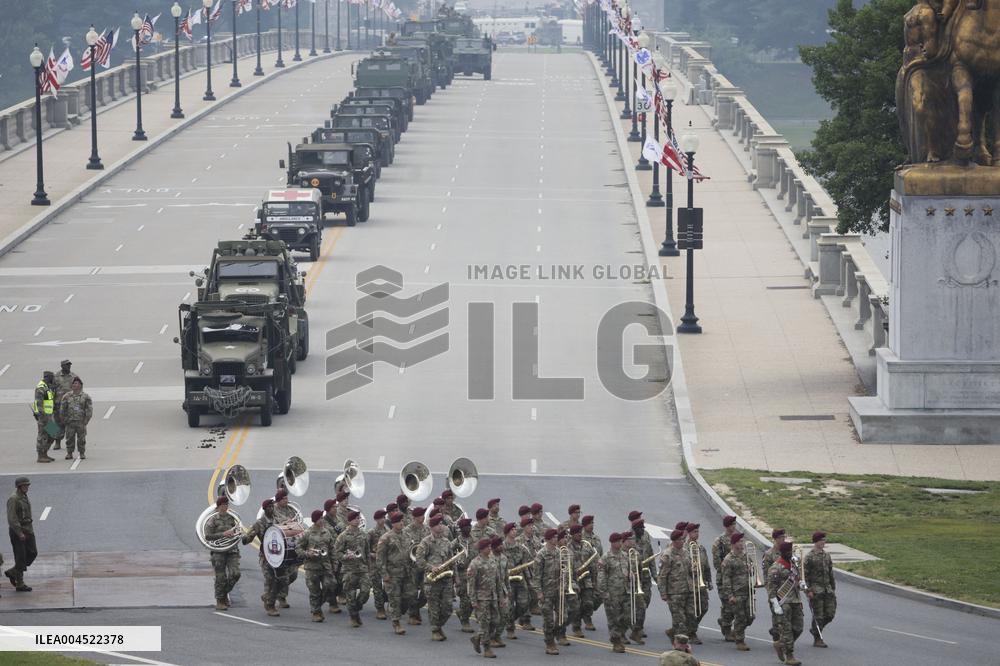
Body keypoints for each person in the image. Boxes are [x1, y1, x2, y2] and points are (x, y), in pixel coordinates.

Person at [415, 513, 454, 641]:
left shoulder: (447, 542)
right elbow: (419, 560)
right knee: (434, 607)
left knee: (448, 607)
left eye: (442, 524)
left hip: (445, 578)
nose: (441, 526)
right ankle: (435, 630)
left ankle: (438, 626)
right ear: (432, 527)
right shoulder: (425, 542)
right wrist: (431, 567)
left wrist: (455, 578)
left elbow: (450, 560)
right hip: (432, 579)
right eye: (438, 524)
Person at [377, 511, 415, 635]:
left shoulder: (407, 535)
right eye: (398, 522)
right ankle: (396, 623)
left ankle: (398, 612)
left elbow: (411, 551)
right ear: (393, 524)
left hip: (406, 572)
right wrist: (384, 574)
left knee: (410, 596)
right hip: (392, 574)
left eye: (402, 521)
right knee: (395, 599)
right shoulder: (385, 538)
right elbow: (380, 558)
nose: (401, 523)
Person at [767, 541, 804, 665]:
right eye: (788, 551)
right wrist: (775, 604)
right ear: (783, 553)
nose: (790, 553)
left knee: (798, 628)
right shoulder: (775, 567)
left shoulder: (794, 565)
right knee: (787, 630)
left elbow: (797, 580)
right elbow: (771, 588)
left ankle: (780, 644)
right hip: (783, 603)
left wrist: (802, 584)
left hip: (795, 600)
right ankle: (789, 656)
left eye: (791, 551)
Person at [243, 498, 280, 616]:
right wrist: (250, 535)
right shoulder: (259, 523)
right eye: (269, 507)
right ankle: (270, 606)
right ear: (264, 509)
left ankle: (267, 596)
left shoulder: (278, 520)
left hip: (278, 555)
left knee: (281, 580)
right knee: (270, 579)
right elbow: (245, 540)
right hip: (265, 556)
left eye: (272, 506)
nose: (272, 508)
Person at [204, 495, 242, 610]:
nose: (226, 507)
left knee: (236, 574)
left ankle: (224, 593)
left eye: (227, 504)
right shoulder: (213, 519)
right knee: (221, 577)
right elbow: (208, 536)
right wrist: (223, 534)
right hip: (218, 552)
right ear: (219, 506)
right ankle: (220, 601)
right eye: (224, 505)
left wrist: (236, 534)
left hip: (232, 550)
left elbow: (238, 530)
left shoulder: (232, 517)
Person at [467, 537, 502, 658]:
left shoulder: (492, 561)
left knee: (496, 621)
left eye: (490, 547)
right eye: (487, 547)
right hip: (481, 598)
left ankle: (477, 637)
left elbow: (498, 580)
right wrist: (473, 600)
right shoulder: (475, 563)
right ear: (482, 549)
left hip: (493, 597)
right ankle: (487, 648)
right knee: (485, 623)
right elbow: (471, 584)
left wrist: (501, 597)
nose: (490, 548)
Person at [335, 509, 371, 627]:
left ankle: (356, 609)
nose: (357, 520)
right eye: (355, 518)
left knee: (365, 592)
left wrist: (369, 568)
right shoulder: (343, 536)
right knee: (350, 595)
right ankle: (353, 617)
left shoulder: (363, 535)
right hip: (349, 569)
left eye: (358, 518)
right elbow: (337, 553)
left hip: (362, 568)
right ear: (350, 521)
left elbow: (367, 552)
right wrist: (345, 556)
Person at [595, 532, 630, 653]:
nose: (621, 543)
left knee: (627, 617)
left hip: (625, 591)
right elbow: (601, 577)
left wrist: (631, 576)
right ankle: (616, 641)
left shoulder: (625, 556)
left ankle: (619, 635)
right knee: (614, 619)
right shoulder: (605, 558)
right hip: (611, 594)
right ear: (613, 543)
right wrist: (604, 593)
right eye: (619, 541)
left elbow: (628, 571)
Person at [658, 528, 695, 641]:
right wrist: (663, 593)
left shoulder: (686, 552)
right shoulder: (667, 555)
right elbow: (662, 576)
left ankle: (673, 632)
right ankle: (680, 646)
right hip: (675, 592)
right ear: (674, 541)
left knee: (691, 616)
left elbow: (689, 570)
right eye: (680, 539)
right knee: (679, 620)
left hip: (688, 590)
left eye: (683, 539)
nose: (683, 541)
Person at [300, 509, 336, 622]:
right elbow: (298, 548)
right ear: (315, 520)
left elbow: (332, 549)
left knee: (330, 586)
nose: (322, 520)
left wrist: (334, 564)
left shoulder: (327, 532)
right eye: (320, 518)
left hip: (325, 566)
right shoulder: (307, 533)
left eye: (322, 518)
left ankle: (317, 606)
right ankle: (316, 612)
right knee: (314, 590)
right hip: (312, 567)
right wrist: (307, 553)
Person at [719, 532, 753, 651]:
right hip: (736, 593)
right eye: (739, 541)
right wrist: (730, 595)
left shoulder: (746, 556)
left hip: (747, 591)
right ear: (733, 544)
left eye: (742, 541)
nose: (742, 543)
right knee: (740, 617)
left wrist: (751, 571)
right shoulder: (728, 559)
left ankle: (736, 631)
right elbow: (726, 579)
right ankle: (740, 640)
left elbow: (751, 573)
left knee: (750, 617)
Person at [531, 528, 563, 655]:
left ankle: (554, 634)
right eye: (554, 537)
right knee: (548, 619)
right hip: (546, 592)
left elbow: (565, 571)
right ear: (549, 539)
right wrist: (539, 592)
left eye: (557, 537)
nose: (557, 539)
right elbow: (536, 576)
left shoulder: (560, 552)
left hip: (559, 591)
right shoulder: (541, 555)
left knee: (563, 617)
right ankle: (550, 643)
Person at [804, 531, 836, 648]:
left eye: (824, 540)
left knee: (830, 614)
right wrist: (808, 591)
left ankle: (815, 629)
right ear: (816, 541)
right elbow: (805, 576)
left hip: (827, 590)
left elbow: (830, 572)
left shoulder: (826, 556)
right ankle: (818, 638)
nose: (824, 542)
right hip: (816, 590)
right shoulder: (809, 557)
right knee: (818, 616)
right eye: (822, 540)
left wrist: (832, 587)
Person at [5, 477, 36, 592]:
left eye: (27, 485)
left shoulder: (23, 496)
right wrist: (19, 532)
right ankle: (20, 583)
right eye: (25, 485)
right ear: (19, 486)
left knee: (33, 552)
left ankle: (13, 571)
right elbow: (12, 518)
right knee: (20, 556)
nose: (27, 487)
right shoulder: (14, 499)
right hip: (18, 531)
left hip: (28, 529)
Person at [712, 515, 739, 640]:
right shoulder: (720, 541)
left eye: (734, 524)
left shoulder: (738, 538)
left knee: (738, 606)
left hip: (738, 578)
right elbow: (717, 563)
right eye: (732, 524)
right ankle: (727, 630)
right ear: (727, 526)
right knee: (728, 605)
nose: (734, 526)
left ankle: (724, 621)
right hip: (724, 577)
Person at [502, 522, 531, 639]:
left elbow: (525, 564)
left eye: (515, 530)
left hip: (519, 579)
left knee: (524, 603)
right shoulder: (502, 547)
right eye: (513, 530)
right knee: (509, 605)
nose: (515, 531)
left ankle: (511, 619)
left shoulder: (521, 547)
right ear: (507, 532)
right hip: (507, 580)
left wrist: (529, 580)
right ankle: (510, 628)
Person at [630, 515, 655, 644]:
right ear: (635, 528)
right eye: (641, 528)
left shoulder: (646, 537)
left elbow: (651, 556)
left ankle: (638, 625)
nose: (643, 529)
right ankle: (636, 628)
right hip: (634, 577)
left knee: (646, 601)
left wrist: (655, 575)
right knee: (637, 604)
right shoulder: (629, 538)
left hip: (645, 576)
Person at [685, 522, 712, 644]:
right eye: (694, 532)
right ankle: (691, 632)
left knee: (704, 607)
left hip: (700, 582)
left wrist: (709, 580)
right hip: (689, 583)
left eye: (698, 531)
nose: (697, 534)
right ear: (689, 533)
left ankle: (689, 629)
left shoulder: (701, 548)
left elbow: (706, 565)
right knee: (691, 609)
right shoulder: (684, 548)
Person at [404, 506, 430, 625]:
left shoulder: (427, 529)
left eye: (423, 515)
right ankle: (413, 615)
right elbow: (403, 548)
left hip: (424, 565)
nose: (422, 517)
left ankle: (414, 609)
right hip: (412, 567)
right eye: (420, 516)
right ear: (414, 518)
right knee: (413, 593)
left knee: (426, 592)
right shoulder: (406, 531)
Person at [569, 524, 596, 638]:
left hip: (586, 578)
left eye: (580, 532)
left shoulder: (586, 545)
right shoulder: (567, 547)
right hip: (574, 580)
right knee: (575, 605)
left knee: (588, 603)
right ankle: (576, 627)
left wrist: (595, 578)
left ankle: (586, 617)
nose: (580, 534)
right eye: (577, 533)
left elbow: (594, 562)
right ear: (572, 534)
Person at [272, 488, 297, 608]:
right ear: (278, 500)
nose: (287, 500)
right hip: (279, 545)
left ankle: (275, 592)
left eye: (287, 498)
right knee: (283, 575)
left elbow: (297, 522)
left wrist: (293, 522)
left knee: (293, 574)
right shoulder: (273, 511)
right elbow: (272, 524)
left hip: (290, 544)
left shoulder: (291, 509)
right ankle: (281, 597)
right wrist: (285, 522)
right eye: (284, 499)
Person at [452, 516, 476, 633]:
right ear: (462, 529)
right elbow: (449, 556)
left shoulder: (475, 541)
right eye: (466, 527)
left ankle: (462, 613)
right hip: (461, 574)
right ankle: (465, 621)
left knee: (472, 598)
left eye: (469, 526)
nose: (469, 528)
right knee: (465, 599)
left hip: (473, 574)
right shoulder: (456, 542)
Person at [59, 377, 92, 461]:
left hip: (81, 421)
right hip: (70, 421)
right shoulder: (66, 396)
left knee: (81, 438)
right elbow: (62, 409)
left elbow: (89, 409)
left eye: (77, 383)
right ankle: (69, 453)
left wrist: (86, 420)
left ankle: (82, 453)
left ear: (80, 385)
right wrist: (64, 419)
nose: (75, 385)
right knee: (69, 438)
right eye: (74, 383)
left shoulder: (85, 397)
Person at [762, 528, 787, 640]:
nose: (784, 539)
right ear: (776, 539)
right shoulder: (769, 554)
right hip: (775, 590)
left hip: (787, 588)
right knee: (777, 615)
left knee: (786, 616)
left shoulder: (786, 553)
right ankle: (777, 637)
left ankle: (778, 633)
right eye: (782, 537)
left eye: (784, 537)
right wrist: (770, 593)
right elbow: (766, 575)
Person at [50, 360, 79, 452]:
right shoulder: (56, 377)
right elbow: (51, 390)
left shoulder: (74, 376)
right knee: (56, 424)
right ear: (62, 366)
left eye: (69, 365)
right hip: (58, 403)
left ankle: (69, 444)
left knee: (70, 424)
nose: (69, 367)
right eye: (67, 365)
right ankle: (57, 442)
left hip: (70, 405)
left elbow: (78, 390)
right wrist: (51, 403)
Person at [580, 514, 602, 631]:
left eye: (593, 523)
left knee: (599, 596)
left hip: (595, 573)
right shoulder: (580, 538)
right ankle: (587, 619)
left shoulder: (596, 538)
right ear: (584, 525)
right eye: (590, 523)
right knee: (586, 598)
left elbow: (600, 554)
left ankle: (584, 612)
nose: (592, 525)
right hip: (584, 573)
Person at [367, 508, 389, 619]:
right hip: (374, 564)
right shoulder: (371, 532)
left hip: (385, 563)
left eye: (384, 518)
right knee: (377, 587)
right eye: (381, 518)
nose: (383, 520)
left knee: (388, 585)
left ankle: (388, 603)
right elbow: (365, 549)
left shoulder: (387, 531)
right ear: (376, 519)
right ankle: (380, 609)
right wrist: (372, 555)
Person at [489, 536, 509, 648]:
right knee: (493, 617)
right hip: (492, 592)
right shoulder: (488, 558)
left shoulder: (504, 558)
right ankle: (490, 637)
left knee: (505, 614)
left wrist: (508, 590)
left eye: (502, 544)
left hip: (502, 590)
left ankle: (497, 636)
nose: (502, 546)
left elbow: (506, 576)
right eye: (499, 544)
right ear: (494, 547)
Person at [32, 371, 56, 463]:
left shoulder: (47, 387)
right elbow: (39, 405)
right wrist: (44, 417)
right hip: (44, 417)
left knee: (53, 434)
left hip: (49, 416)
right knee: (42, 436)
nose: (53, 379)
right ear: (47, 377)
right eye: (52, 377)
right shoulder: (41, 388)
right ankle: (40, 455)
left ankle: (45, 453)